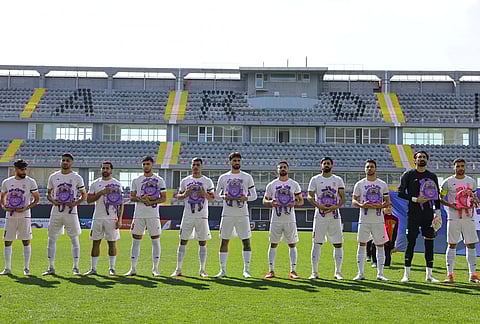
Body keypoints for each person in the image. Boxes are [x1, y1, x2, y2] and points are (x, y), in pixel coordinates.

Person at [398, 151, 442, 283]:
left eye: (424, 157)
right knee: (410, 242)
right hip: (413, 214)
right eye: (419, 157)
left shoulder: (432, 176)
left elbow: (436, 195)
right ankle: (406, 274)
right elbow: (400, 193)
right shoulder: (408, 175)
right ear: (414, 160)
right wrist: (415, 199)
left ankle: (429, 275)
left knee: (429, 243)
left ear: (427, 160)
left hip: (428, 214)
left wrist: (438, 213)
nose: (421, 159)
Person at [43, 153, 87, 276]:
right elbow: (48, 193)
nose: (65, 162)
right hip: (56, 210)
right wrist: (53, 201)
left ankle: (76, 267)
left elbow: (84, 195)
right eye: (63, 160)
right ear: (60, 162)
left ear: (71, 162)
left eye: (67, 160)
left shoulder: (77, 177)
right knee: (51, 238)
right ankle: (51, 267)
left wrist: (76, 203)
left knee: (74, 238)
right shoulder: (53, 176)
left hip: (71, 211)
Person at [215, 152, 257, 278]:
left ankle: (246, 270)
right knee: (224, 241)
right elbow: (216, 196)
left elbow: (254, 196)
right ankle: (222, 270)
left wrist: (245, 198)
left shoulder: (247, 177)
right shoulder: (223, 177)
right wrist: (224, 197)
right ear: (230, 162)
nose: (236, 162)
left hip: (242, 214)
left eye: (238, 160)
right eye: (234, 160)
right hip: (227, 214)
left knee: (246, 241)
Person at [171, 157, 215, 278]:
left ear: (201, 167)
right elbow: (178, 196)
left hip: (202, 215)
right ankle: (178, 269)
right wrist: (185, 194)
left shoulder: (207, 181)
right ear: (191, 166)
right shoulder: (185, 181)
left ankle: (202, 270)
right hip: (188, 215)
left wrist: (204, 194)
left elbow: (212, 197)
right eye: (194, 165)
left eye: (198, 165)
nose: (195, 167)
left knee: (202, 242)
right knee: (183, 240)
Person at [439, 158, 480, 283]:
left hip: (468, 217)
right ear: (454, 167)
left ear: (465, 167)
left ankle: (473, 274)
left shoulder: (471, 181)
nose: (460, 168)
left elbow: (474, 196)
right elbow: (440, 198)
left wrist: (475, 201)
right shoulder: (448, 182)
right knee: (452, 244)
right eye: (458, 166)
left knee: (471, 244)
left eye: (462, 166)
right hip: (454, 217)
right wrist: (451, 205)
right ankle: (450, 274)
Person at [125, 156, 166, 277]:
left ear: (152, 165)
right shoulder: (136, 180)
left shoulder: (159, 180)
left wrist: (152, 202)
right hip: (139, 215)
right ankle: (132, 268)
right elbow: (132, 197)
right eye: (144, 164)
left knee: (155, 240)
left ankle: (155, 269)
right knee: (136, 240)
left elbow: (163, 198)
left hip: (153, 215)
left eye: (148, 164)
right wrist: (141, 199)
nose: (146, 166)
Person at [263, 160, 304, 279]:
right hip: (276, 218)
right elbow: (264, 201)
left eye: (284, 167)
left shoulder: (294, 184)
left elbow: (301, 200)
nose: (282, 169)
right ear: (277, 170)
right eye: (280, 167)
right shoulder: (272, 184)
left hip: (290, 219)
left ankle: (293, 270)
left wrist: (294, 203)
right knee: (273, 244)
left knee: (292, 244)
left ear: (288, 169)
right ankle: (271, 270)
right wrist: (271, 202)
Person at [307, 157, 345, 280]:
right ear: (321, 165)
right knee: (317, 242)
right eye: (324, 163)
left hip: (334, 215)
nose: (326, 165)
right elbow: (309, 196)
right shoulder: (315, 179)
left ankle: (338, 272)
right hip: (320, 215)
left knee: (338, 243)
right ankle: (314, 272)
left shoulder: (337, 180)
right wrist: (319, 206)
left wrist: (336, 206)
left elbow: (343, 198)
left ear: (332, 165)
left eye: (328, 163)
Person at [352, 159, 390, 281]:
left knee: (380, 245)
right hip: (364, 219)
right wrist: (362, 205)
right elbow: (354, 200)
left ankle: (380, 273)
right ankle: (360, 273)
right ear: (365, 169)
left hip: (378, 219)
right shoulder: (359, 184)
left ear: (375, 168)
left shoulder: (382, 184)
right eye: (367, 167)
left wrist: (380, 205)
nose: (369, 169)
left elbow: (387, 202)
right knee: (362, 244)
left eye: (372, 166)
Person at [0, 159, 40, 276]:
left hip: (24, 216)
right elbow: (2, 196)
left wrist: (26, 208)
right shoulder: (7, 182)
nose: (24, 171)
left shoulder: (30, 182)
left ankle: (26, 268)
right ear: (15, 169)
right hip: (10, 216)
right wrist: (4, 206)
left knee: (26, 241)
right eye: (22, 169)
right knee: (7, 241)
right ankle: (7, 268)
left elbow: (36, 199)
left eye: (25, 169)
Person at [84, 161, 124, 276]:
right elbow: (89, 200)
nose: (105, 170)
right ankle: (93, 268)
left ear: (111, 170)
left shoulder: (117, 184)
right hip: (98, 217)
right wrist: (102, 192)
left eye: (107, 168)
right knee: (95, 242)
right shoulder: (95, 183)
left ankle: (112, 268)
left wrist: (119, 219)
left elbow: (121, 203)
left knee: (112, 243)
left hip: (112, 218)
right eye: (103, 168)